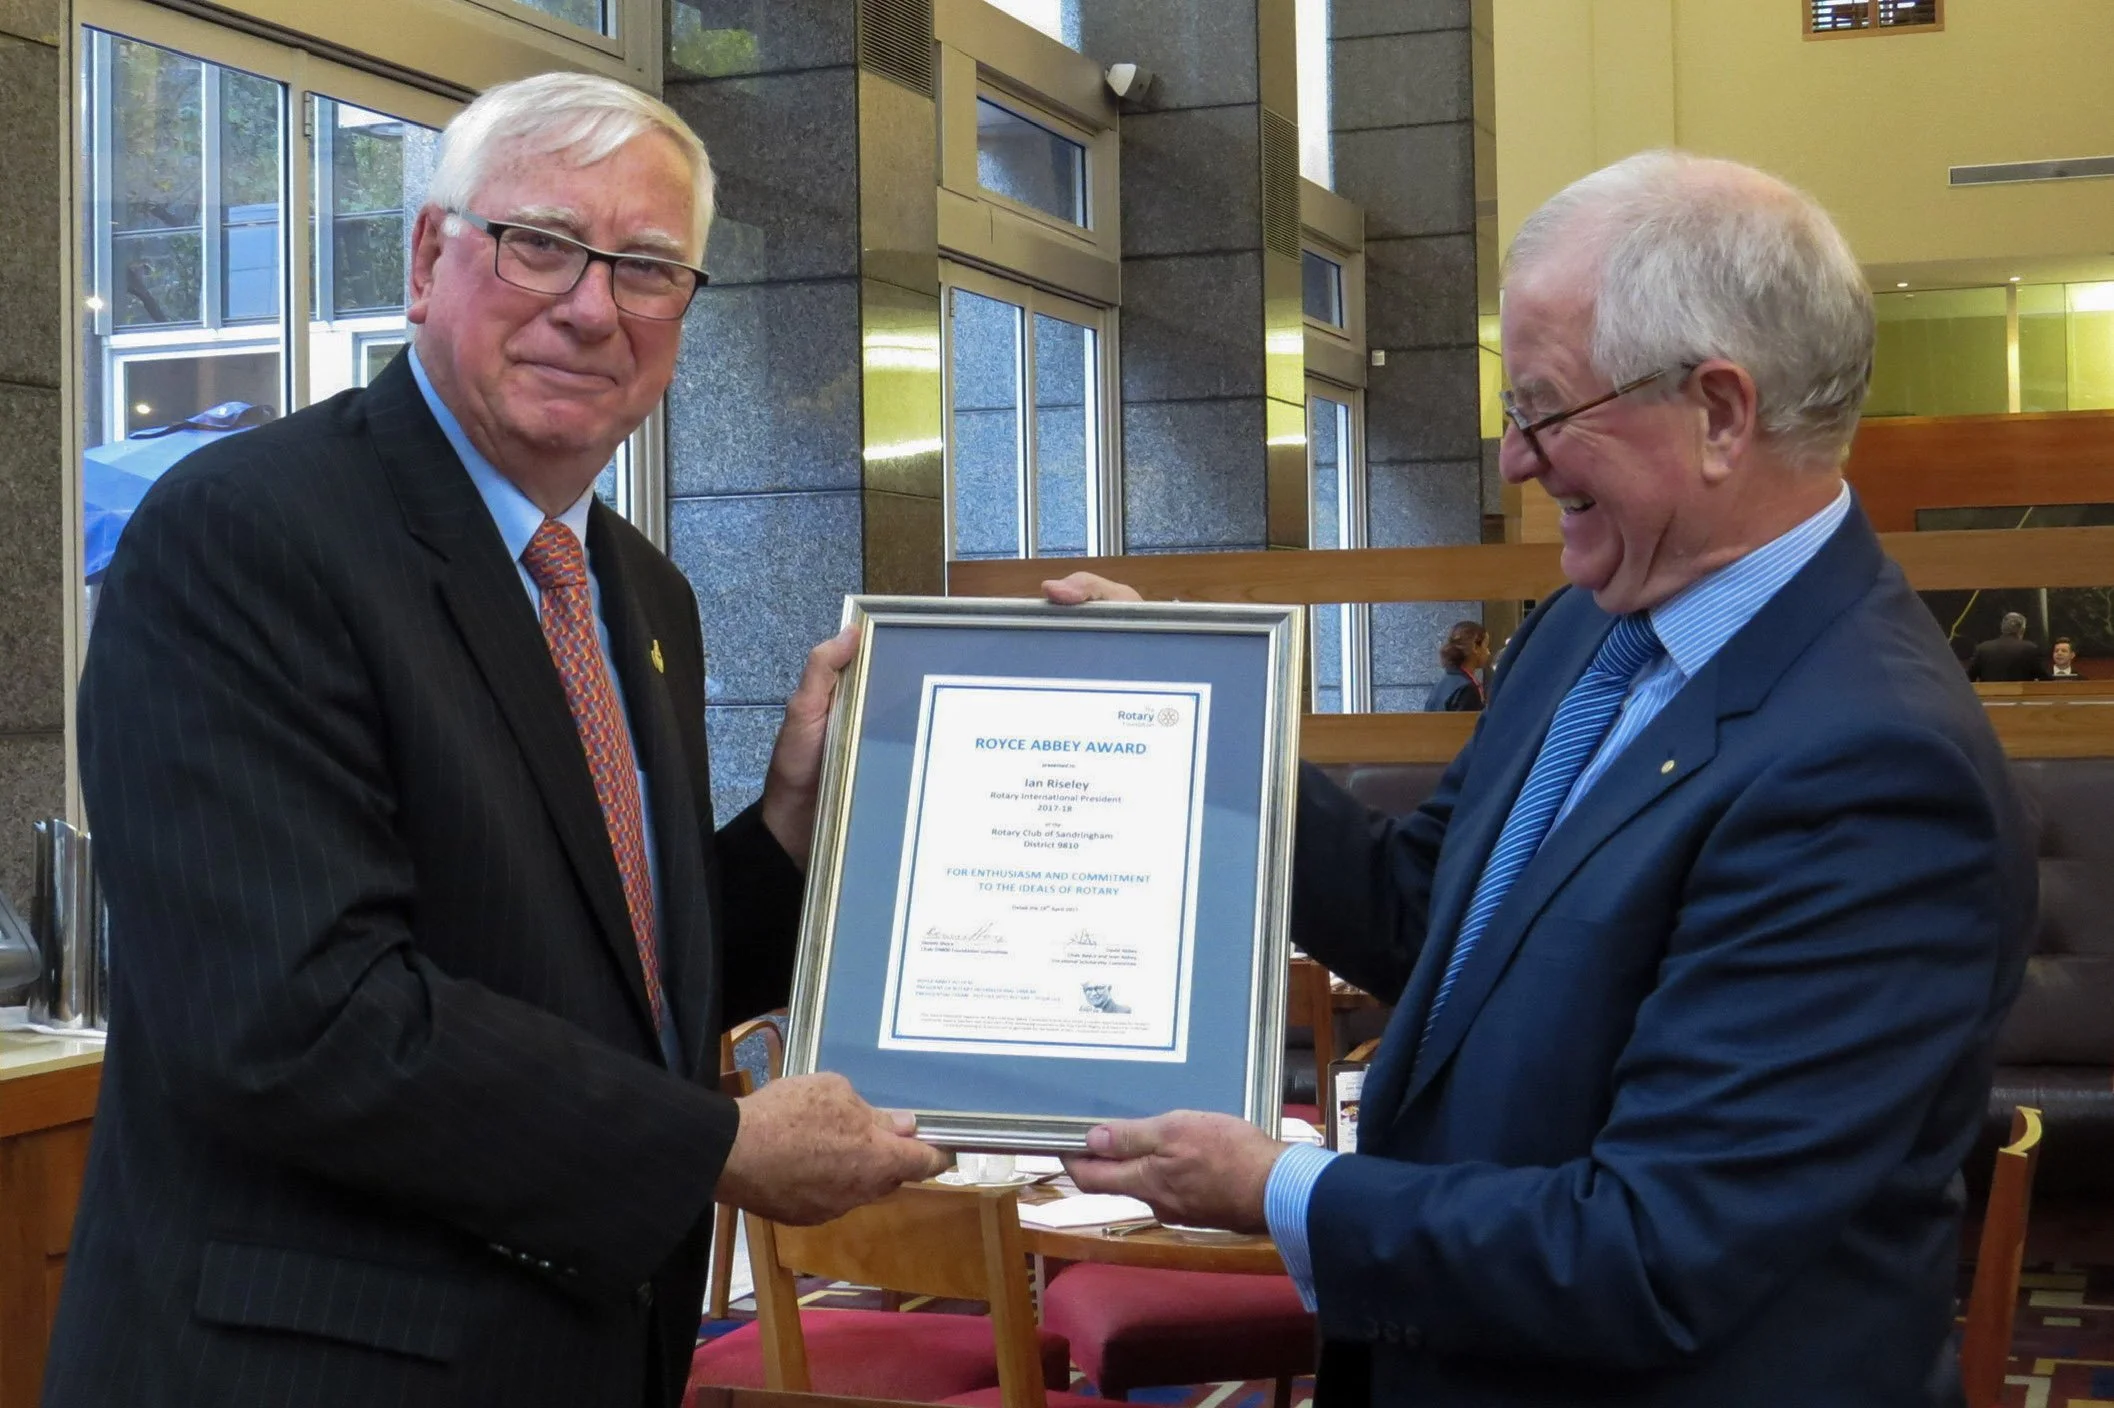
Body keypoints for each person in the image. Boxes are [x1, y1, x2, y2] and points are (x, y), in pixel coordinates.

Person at [1050, 151, 2032, 1406]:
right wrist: (1194, 724)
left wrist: (1273, 1187)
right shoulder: (1595, 623)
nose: (1515, 461)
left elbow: (1648, 1250)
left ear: (1720, 413)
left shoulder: (1874, 772)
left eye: (1542, 408)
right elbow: (1422, 910)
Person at [45, 74, 946, 1408]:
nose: (590, 307)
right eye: (540, 244)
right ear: (426, 259)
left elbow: (602, 971)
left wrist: (784, 838)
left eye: (645, 267)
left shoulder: (640, 593)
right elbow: (298, 1017)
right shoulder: (245, 535)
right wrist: (711, 1149)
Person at [1421, 620, 1490, 712]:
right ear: (1475, 648)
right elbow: (1468, 725)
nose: (1488, 652)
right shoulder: (1467, 689)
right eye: (1486, 646)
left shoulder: (1443, 682)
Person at [1966, 610, 2049, 681]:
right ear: (2022, 630)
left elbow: (1968, 678)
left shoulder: (1982, 648)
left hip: (1988, 698)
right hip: (2021, 698)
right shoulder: (2030, 649)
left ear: (2002, 629)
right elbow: (2045, 679)